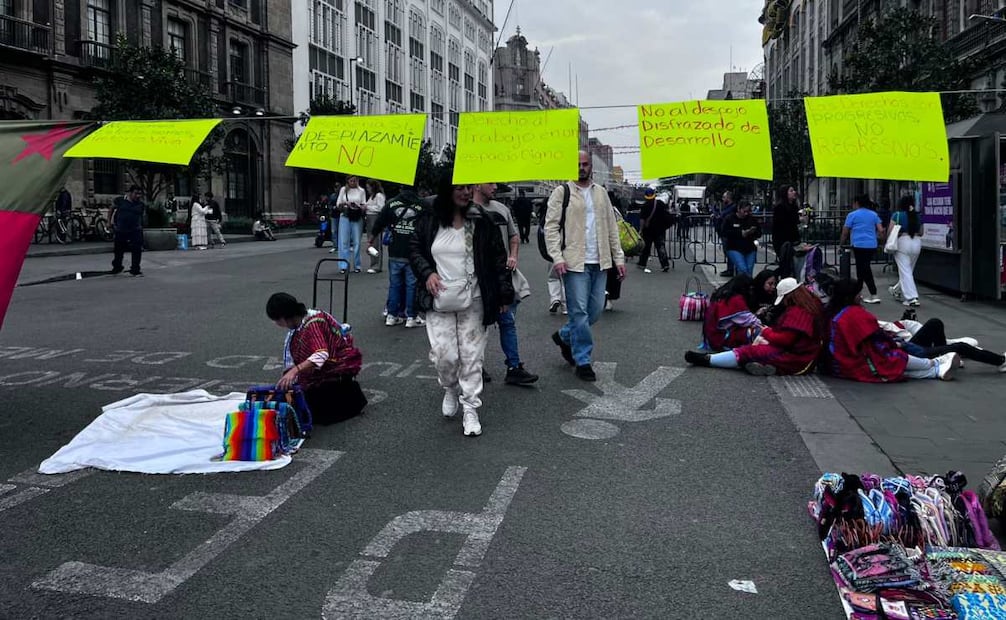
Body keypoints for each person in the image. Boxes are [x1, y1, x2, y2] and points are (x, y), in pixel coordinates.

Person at [409, 175, 514, 437]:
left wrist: (503, 295)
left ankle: (470, 408)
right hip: (439, 298)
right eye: (459, 188)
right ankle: (450, 387)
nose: (466, 192)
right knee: (445, 356)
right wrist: (427, 274)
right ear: (447, 191)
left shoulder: (482, 221)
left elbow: (498, 258)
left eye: (469, 187)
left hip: (475, 298)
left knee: (471, 356)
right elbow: (414, 250)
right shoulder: (429, 219)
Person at [545, 150, 627, 382]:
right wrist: (557, 257)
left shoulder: (601, 193)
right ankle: (583, 360)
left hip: (600, 262)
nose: (582, 168)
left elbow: (613, 229)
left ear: (591, 166)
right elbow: (551, 228)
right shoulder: (562, 192)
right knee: (579, 312)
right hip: (574, 263)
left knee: (595, 311)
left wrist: (618, 259)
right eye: (578, 164)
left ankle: (564, 336)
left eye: (585, 164)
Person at [684, 277, 825, 376]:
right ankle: (761, 364)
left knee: (750, 351)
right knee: (754, 344)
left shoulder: (798, 312)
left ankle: (709, 359)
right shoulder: (811, 304)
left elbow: (786, 340)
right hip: (802, 353)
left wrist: (767, 332)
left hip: (796, 356)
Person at [822, 279, 957, 382]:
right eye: (859, 294)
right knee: (894, 361)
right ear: (850, 296)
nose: (861, 297)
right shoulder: (854, 314)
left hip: (839, 362)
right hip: (857, 360)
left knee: (896, 368)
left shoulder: (832, 312)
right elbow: (875, 334)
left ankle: (937, 370)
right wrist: (894, 343)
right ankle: (936, 363)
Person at [472, 182, 538, 386]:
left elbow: (514, 237)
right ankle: (475, 367)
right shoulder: (466, 212)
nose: (494, 186)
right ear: (477, 185)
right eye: (490, 182)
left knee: (507, 321)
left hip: (501, 275)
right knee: (476, 326)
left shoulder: (502, 210)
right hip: (477, 278)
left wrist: (513, 257)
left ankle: (514, 367)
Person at [266, 292, 367, 424]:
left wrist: (294, 371)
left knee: (306, 413)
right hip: (323, 372)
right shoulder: (301, 324)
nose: (277, 324)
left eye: (277, 320)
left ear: (285, 317)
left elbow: (321, 354)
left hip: (333, 371)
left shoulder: (313, 323)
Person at [369, 178, 427, 328]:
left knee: (394, 284)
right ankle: (411, 316)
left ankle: (392, 315)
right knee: (411, 285)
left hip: (395, 250)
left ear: (401, 188)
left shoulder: (391, 204)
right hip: (413, 251)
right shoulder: (423, 205)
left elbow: (379, 222)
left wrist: (372, 238)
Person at [879, 316, 1006, 372]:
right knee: (961, 346)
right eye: (860, 294)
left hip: (905, 345)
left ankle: (945, 354)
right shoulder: (864, 327)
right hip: (904, 354)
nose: (862, 297)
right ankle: (1001, 361)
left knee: (935, 323)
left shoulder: (866, 320)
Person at [839, 194, 884, 304]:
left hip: (858, 244)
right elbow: (881, 230)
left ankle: (871, 293)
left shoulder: (852, 215)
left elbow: (845, 231)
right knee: (863, 268)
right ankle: (859, 292)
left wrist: (841, 243)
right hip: (871, 245)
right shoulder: (874, 215)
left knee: (863, 269)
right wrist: (882, 240)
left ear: (857, 203)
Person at [702, 274, 762, 352]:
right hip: (721, 339)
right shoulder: (735, 300)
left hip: (712, 337)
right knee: (758, 330)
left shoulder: (722, 294)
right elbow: (752, 321)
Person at [888, 195, 923, 307]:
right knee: (908, 271)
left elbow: (890, 231)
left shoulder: (897, 215)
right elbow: (922, 232)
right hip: (916, 243)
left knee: (905, 271)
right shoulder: (917, 216)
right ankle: (896, 290)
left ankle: (912, 298)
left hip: (902, 242)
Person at [110, 185, 145, 276]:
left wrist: (141, 226)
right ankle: (117, 267)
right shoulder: (120, 200)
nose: (138, 196)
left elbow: (141, 217)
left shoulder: (140, 204)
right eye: (136, 193)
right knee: (118, 250)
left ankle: (135, 269)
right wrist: (109, 222)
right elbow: (111, 209)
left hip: (135, 230)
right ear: (130, 193)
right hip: (121, 229)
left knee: (137, 249)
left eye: (140, 194)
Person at [334, 176, 366, 272]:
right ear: (347, 181)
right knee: (344, 241)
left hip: (356, 216)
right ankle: (343, 265)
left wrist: (358, 206)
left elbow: (364, 204)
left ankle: (357, 265)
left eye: (355, 180)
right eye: (351, 180)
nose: (353, 182)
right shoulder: (343, 189)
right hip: (345, 215)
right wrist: (346, 203)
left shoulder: (361, 191)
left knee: (357, 241)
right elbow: (338, 203)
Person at [723, 201, 762, 277]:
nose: (746, 214)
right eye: (744, 211)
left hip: (750, 248)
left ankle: (747, 286)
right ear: (739, 209)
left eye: (748, 211)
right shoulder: (730, 218)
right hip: (734, 247)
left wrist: (752, 232)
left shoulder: (752, 219)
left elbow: (759, 233)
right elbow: (724, 232)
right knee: (742, 269)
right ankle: (742, 285)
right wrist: (740, 233)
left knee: (749, 270)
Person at [637, 188, 671, 273]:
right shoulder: (660, 203)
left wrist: (640, 230)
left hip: (648, 230)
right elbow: (667, 213)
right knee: (661, 247)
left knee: (646, 247)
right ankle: (665, 264)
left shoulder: (644, 206)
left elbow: (642, 220)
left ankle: (642, 263)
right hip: (660, 229)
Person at [772, 186, 802, 264]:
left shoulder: (794, 206)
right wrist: (798, 220)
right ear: (785, 193)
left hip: (794, 239)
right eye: (791, 191)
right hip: (782, 240)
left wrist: (801, 220)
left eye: (794, 190)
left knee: (795, 263)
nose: (794, 192)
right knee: (786, 263)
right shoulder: (779, 207)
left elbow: (795, 221)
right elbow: (781, 224)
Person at [364, 180, 386, 273]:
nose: (367, 189)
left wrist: (367, 207)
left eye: (368, 187)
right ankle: (373, 264)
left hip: (375, 218)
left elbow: (381, 208)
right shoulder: (372, 196)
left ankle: (377, 265)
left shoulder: (379, 196)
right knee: (371, 241)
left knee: (376, 241)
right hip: (369, 217)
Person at [717, 191, 737, 277]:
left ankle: (731, 269)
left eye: (724, 197)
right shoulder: (727, 207)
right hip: (724, 232)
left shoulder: (732, 208)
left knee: (729, 251)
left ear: (728, 198)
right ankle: (730, 268)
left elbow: (722, 216)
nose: (723, 199)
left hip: (729, 233)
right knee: (727, 251)